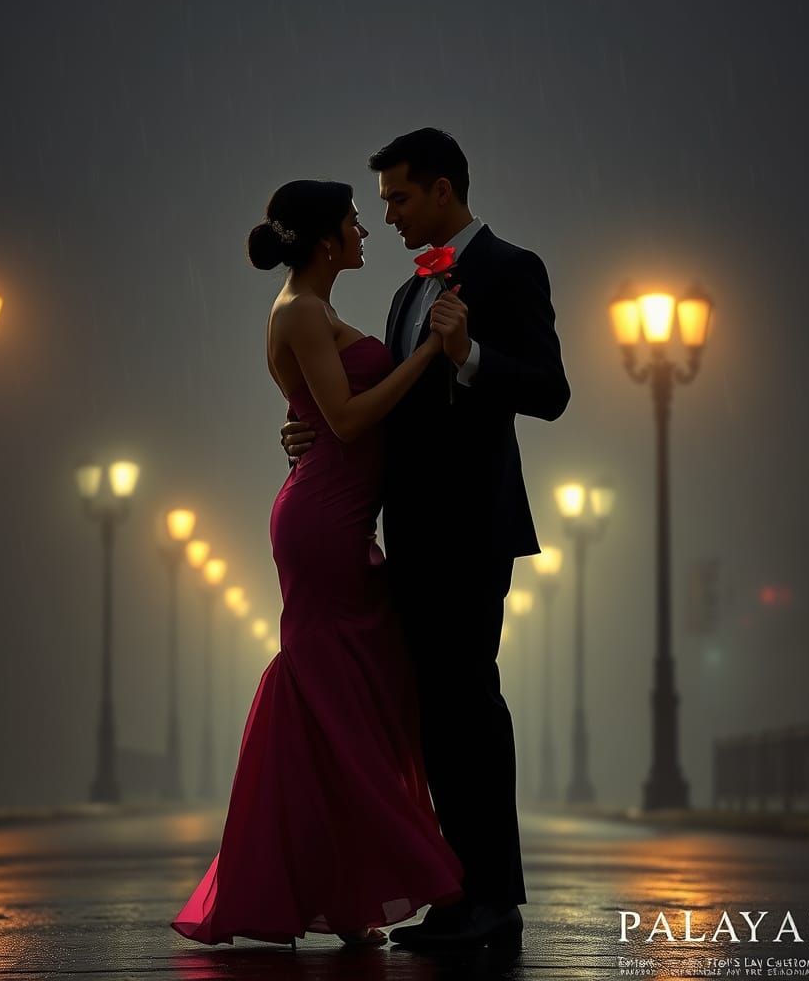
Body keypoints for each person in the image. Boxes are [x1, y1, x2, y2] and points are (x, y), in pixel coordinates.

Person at [281, 128, 571, 948]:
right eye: (381, 206)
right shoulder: (409, 292)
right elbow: (383, 409)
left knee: (469, 704)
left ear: (443, 191)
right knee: (431, 716)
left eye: (399, 199)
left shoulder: (512, 269)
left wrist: (470, 352)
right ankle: (452, 891)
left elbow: (550, 390)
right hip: (406, 533)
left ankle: (496, 899)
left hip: (472, 530)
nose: (390, 217)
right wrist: (311, 431)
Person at [170, 179, 467, 948]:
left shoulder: (318, 311)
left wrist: (307, 426)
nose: (367, 232)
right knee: (340, 694)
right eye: (355, 223)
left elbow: (318, 413)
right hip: (323, 524)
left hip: (338, 514)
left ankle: (341, 887)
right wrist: (432, 352)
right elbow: (346, 415)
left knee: (342, 693)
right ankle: (359, 876)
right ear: (326, 241)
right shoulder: (301, 311)